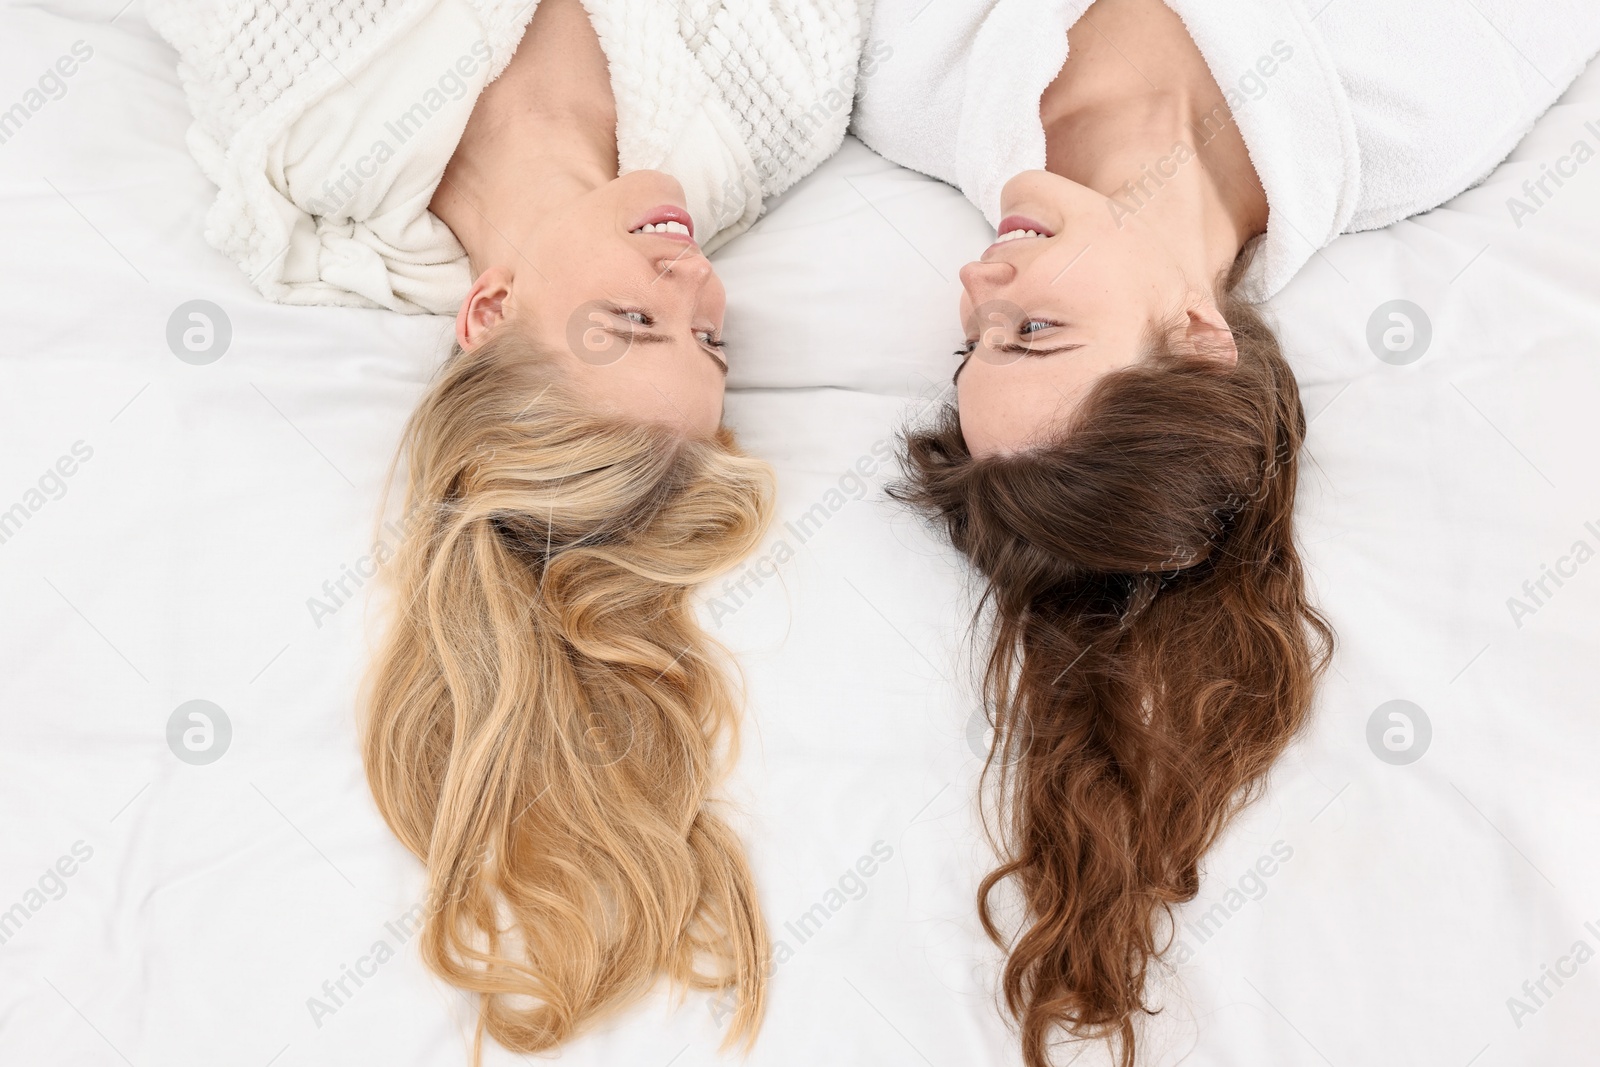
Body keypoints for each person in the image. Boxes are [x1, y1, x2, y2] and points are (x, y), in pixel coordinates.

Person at [851, 1, 1600, 1064]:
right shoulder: (1423, 97)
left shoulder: (908, 81)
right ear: (1199, 339)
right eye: (1034, 332)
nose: (978, 285)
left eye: (973, 345)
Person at [147, 0, 865, 1057]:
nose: (698, 280)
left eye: (635, 321)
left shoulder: (300, 106)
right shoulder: (778, 99)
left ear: (487, 313)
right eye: (708, 338)